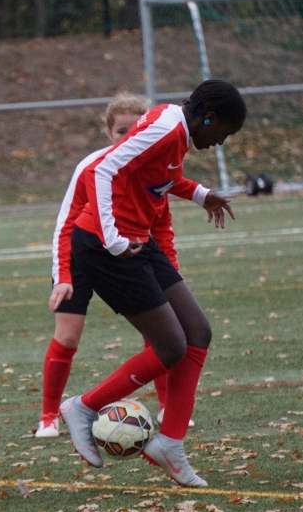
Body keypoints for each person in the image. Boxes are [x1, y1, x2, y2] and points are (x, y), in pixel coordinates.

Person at [60, 80, 246, 488]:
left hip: (138, 241)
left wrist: (200, 194)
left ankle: (170, 444)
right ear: (208, 118)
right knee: (171, 346)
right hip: (106, 246)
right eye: (224, 133)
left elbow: (158, 178)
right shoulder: (167, 127)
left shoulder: (174, 127)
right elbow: (103, 168)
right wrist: (110, 238)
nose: (220, 142)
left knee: (197, 331)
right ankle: (83, 407)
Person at [38, 93, 208, 437]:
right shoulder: (93, 167)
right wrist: (63, 276)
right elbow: (67, 223)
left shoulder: (153, 163)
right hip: (85, 256)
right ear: (108, 132)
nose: (129, 135)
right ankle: (49, 415)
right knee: (68, 337)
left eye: (135, 128)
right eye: (121, 130)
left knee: (161, 329)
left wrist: (171, 274)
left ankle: (165, 407)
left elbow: (160, 226)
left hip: (129, 253)